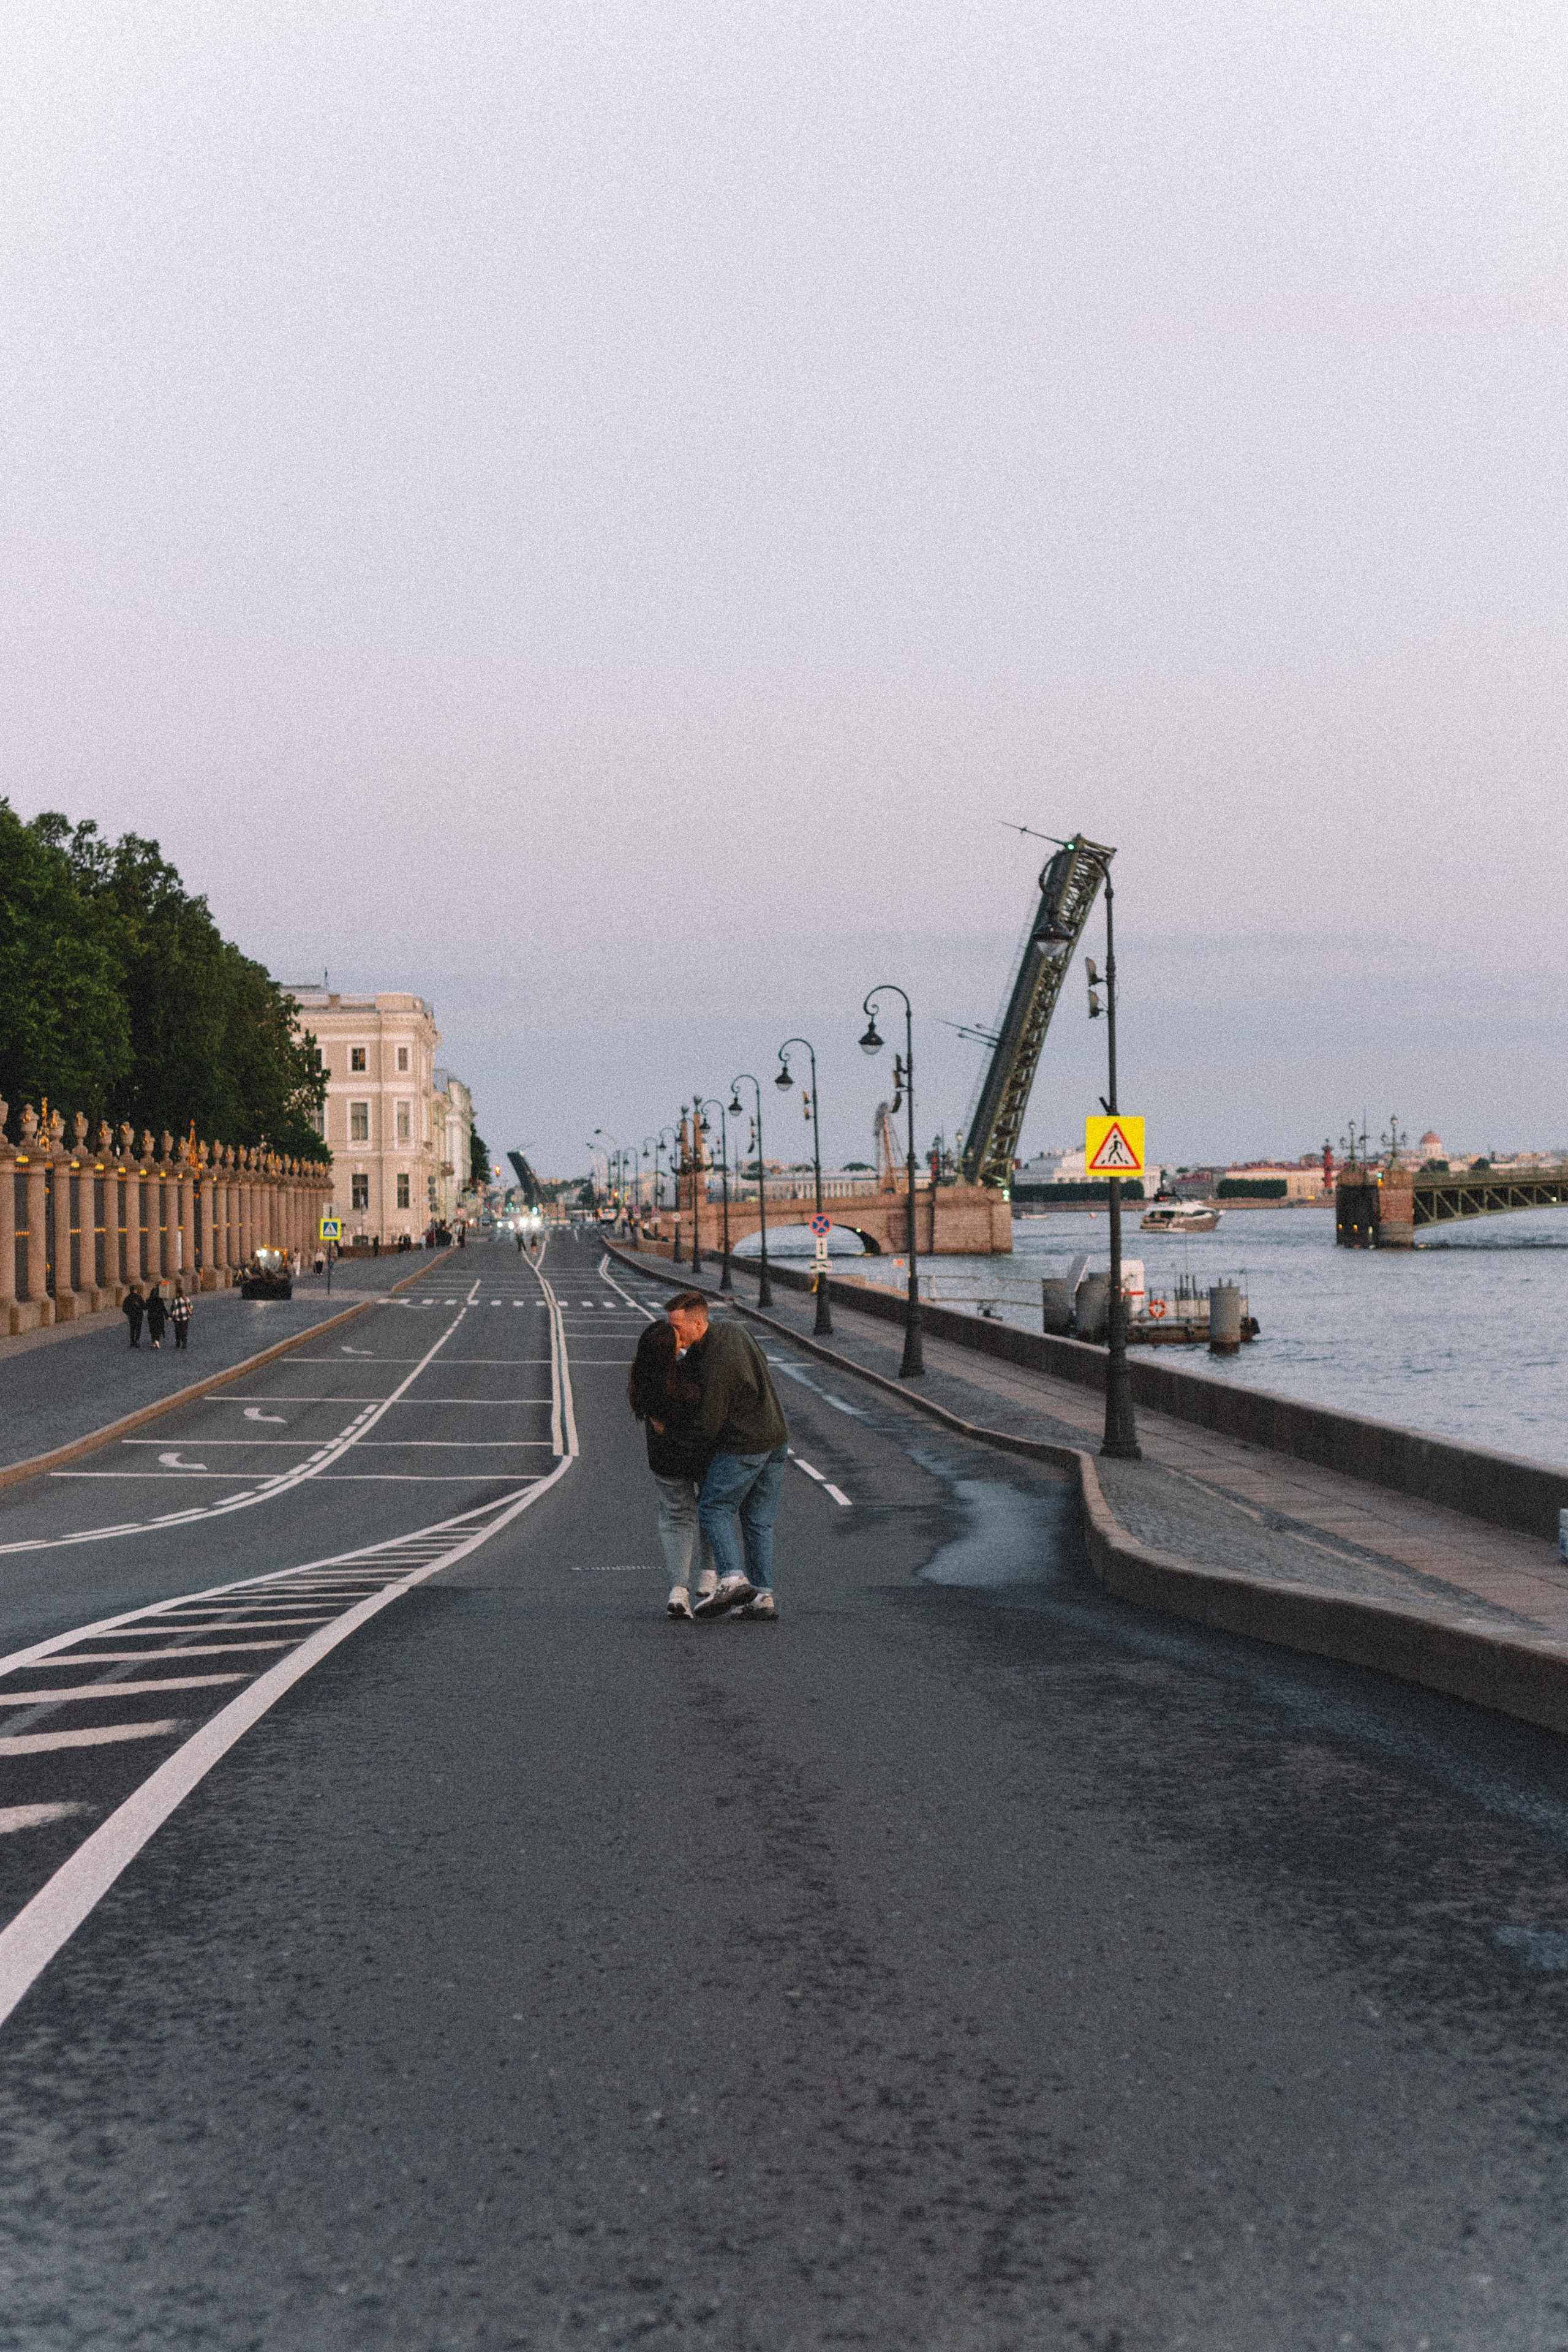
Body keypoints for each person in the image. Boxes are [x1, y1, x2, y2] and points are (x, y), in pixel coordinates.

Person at [665, 1290, 789, 1622]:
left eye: (677, 1327)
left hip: (744, 1443)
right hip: (776, 1437)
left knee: (713, 1507)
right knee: (758, 1521)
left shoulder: (715, 1361)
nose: (673, 1334)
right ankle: (762, 1597)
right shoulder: (735, 1330)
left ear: (698, 1323)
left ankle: (732, 1577)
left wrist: (677, 1442)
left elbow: (709, 1421)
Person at [626, 1321, 718, 1619]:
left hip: (664, 1459)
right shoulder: (687, 1378)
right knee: (712, 1511)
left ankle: (678, 1592)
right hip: (701, 1454)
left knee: (677, 1519)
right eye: (677, 1338)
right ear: (671, 1350)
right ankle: (709, 1575)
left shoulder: (642, 1377)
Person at [145, 1281, 168, 1351]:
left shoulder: (149, 1300)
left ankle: (154, 1341)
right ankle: (157, 1340)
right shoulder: (160, 1300)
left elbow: (145, 1307)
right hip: (159, 1317)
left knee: (152, 1329)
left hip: (151, 1317)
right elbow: (163, 1309)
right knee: (158, 1329)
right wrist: (167, 1316)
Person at [123, 1281, 146, 1348]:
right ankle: (137, 1341)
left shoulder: (127, 1298)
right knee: (138, 1329)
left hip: (131, 1316)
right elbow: (144, 1307)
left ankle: (132, 1342)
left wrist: (128, 1314)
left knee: (132, 1329)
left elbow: (124, 1308)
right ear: (135, 1290)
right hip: (139, 1316)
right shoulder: (139, 1297)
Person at [170, 1283, 193, 1350]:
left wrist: (171, 1316)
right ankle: (184, 1344)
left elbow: (173, 1309)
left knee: (178, 1331)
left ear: (177, 1293)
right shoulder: (187, 1299)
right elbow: (191, 1307)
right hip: (185, 1318)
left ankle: (178, 1343)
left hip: (177, 1318)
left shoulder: (175, 1300)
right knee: (184, 1331)